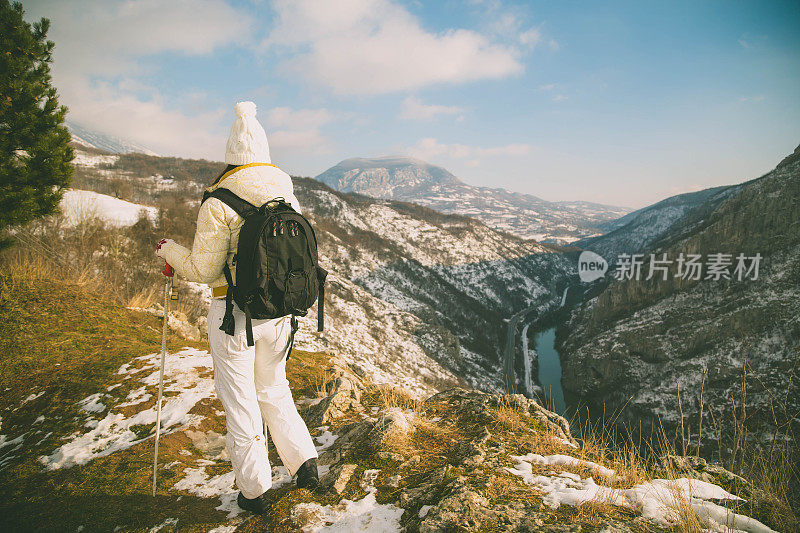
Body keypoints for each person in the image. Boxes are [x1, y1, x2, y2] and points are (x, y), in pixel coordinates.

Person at [155, 101, 319, 515]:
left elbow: (202, 268)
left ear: (230, 158)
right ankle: (305, 463)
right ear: (263, 155)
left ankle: (253, 491)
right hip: (281, 315)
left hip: (234, 317)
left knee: (241, 400)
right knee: (274, 389)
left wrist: (169, 251)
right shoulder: (287, 195)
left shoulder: (218, 201)